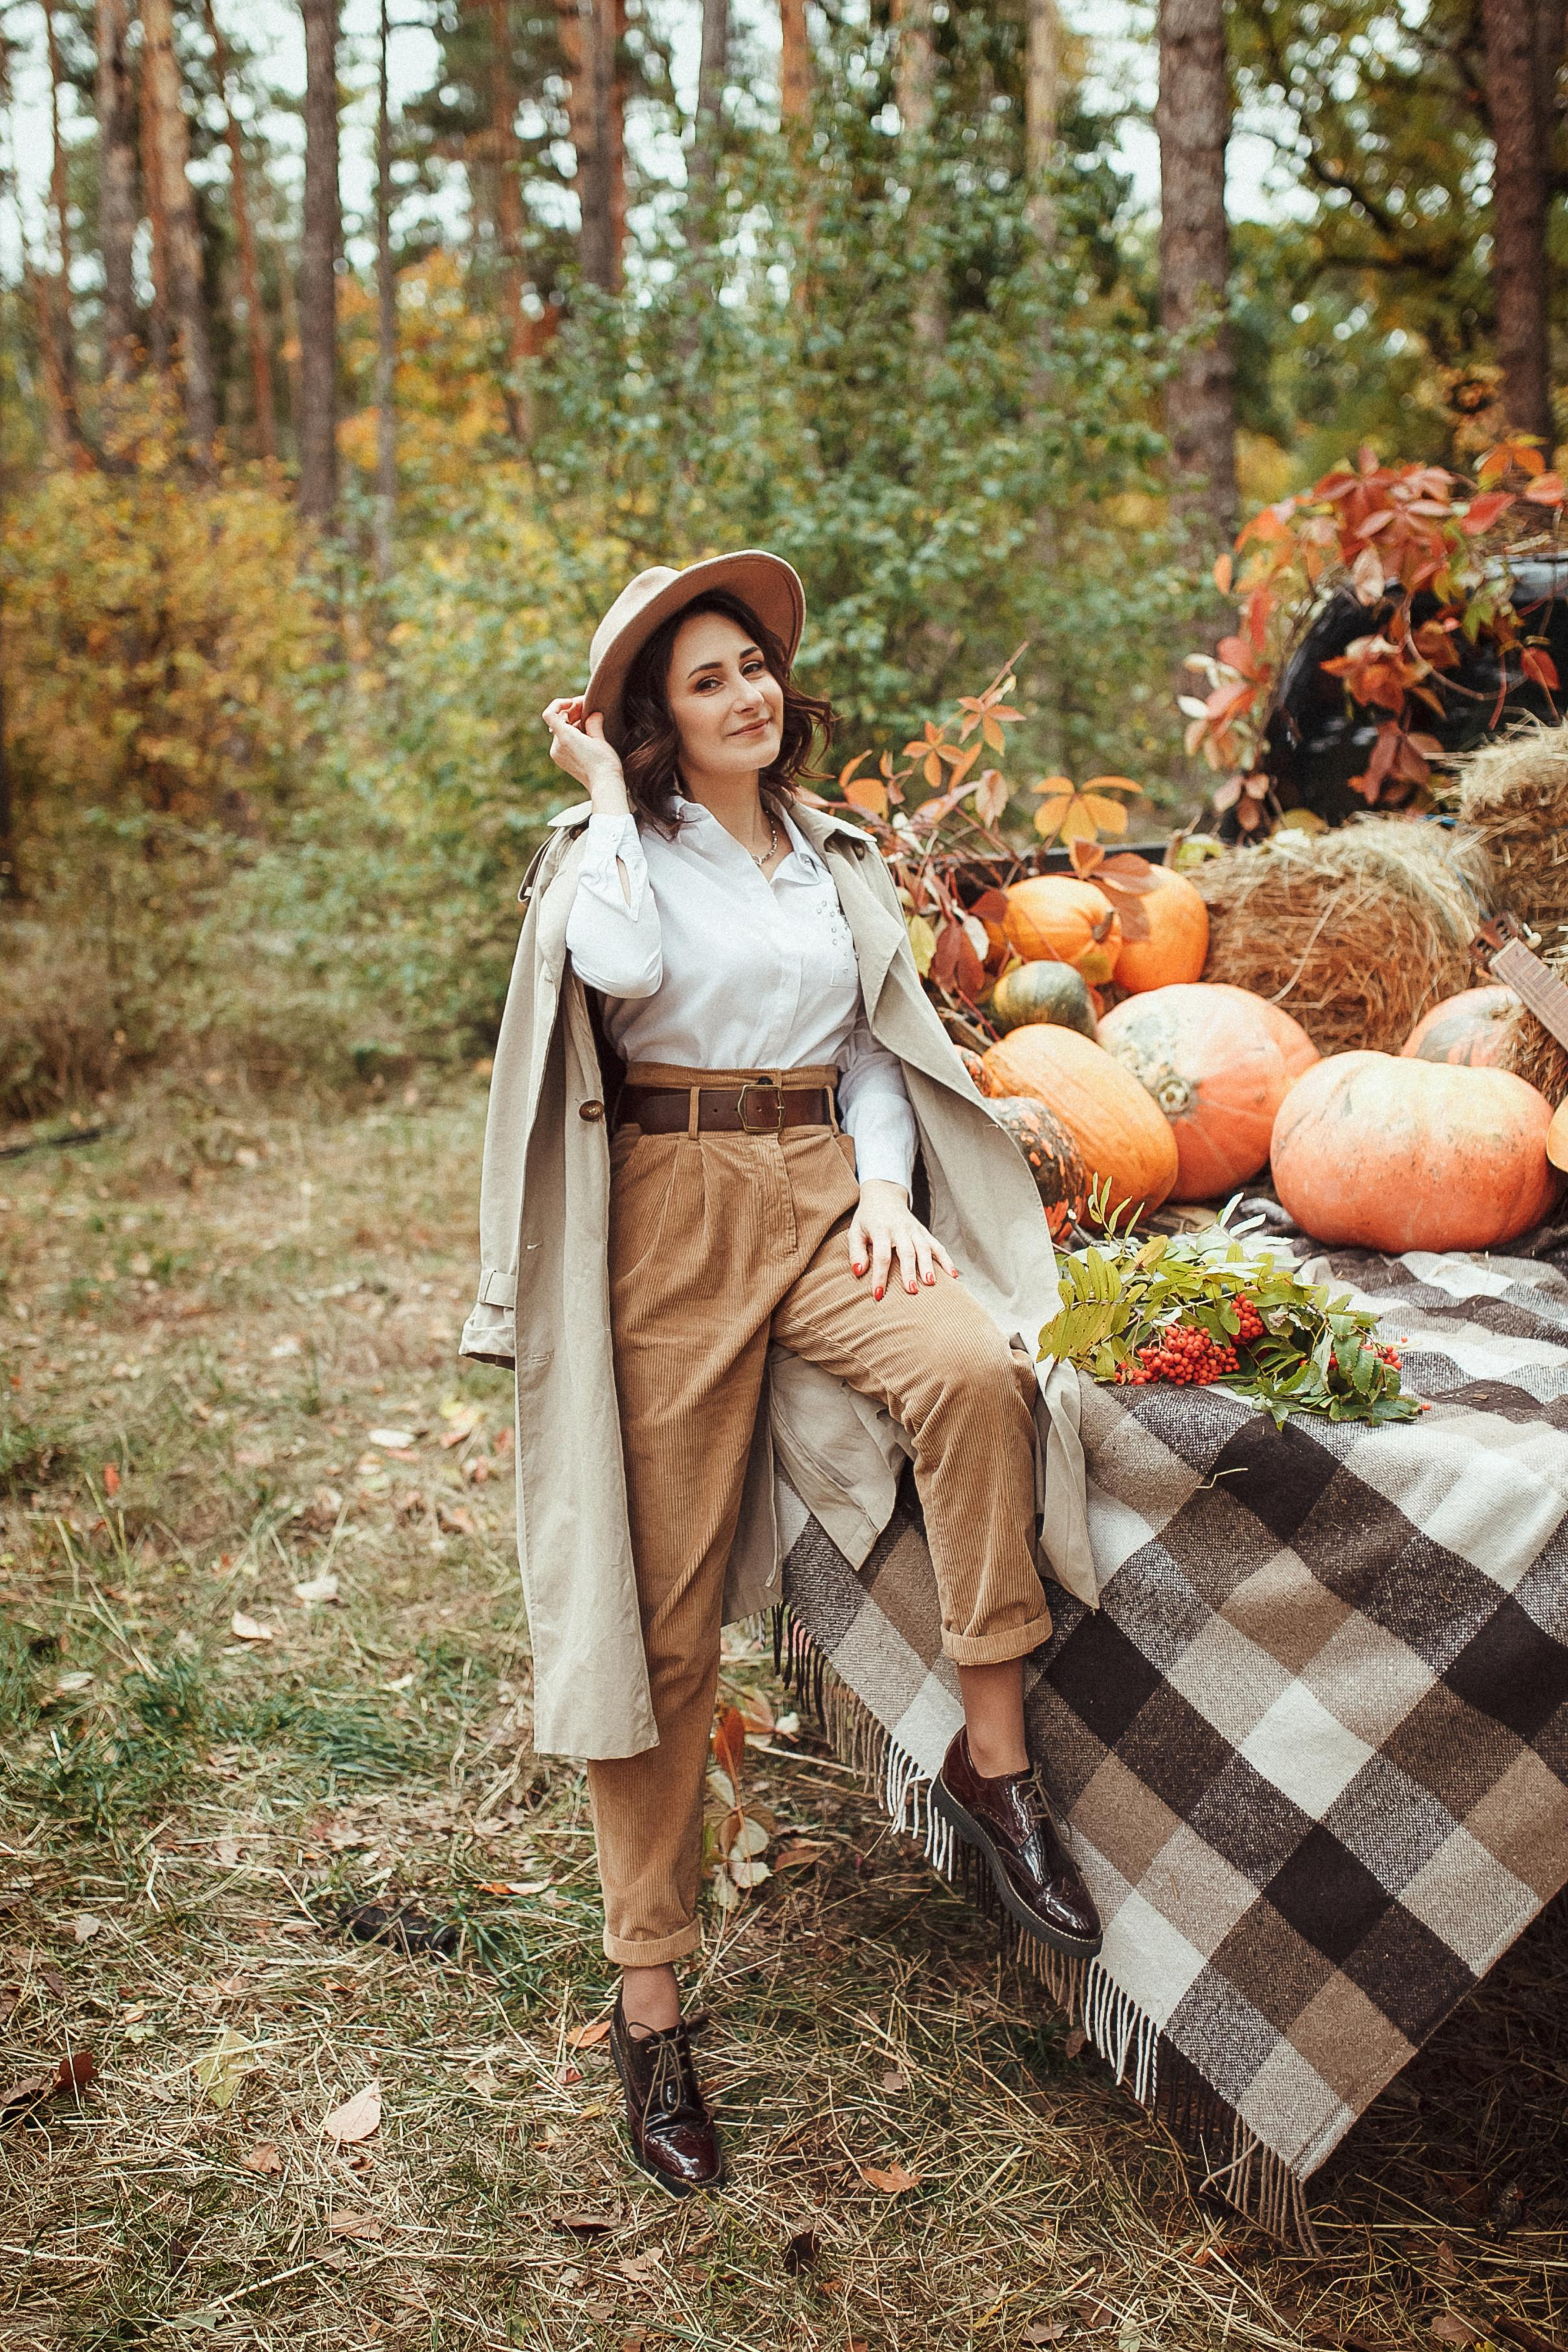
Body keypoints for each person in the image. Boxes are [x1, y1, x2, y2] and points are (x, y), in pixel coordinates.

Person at [461, 552, 1100, 2199]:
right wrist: (605, 792)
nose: (746, 693)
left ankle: (994, 1760)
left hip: (826, 1186)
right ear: (653, 723)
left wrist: (886, 1193)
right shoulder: (618, 852)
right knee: (666, 1620)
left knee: (972, 1371)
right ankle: (651, 2003)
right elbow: (613, 973)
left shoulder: (832, 854)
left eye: (755, 666)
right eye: (704, 681)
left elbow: (870, 1047)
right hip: (671, 1220)